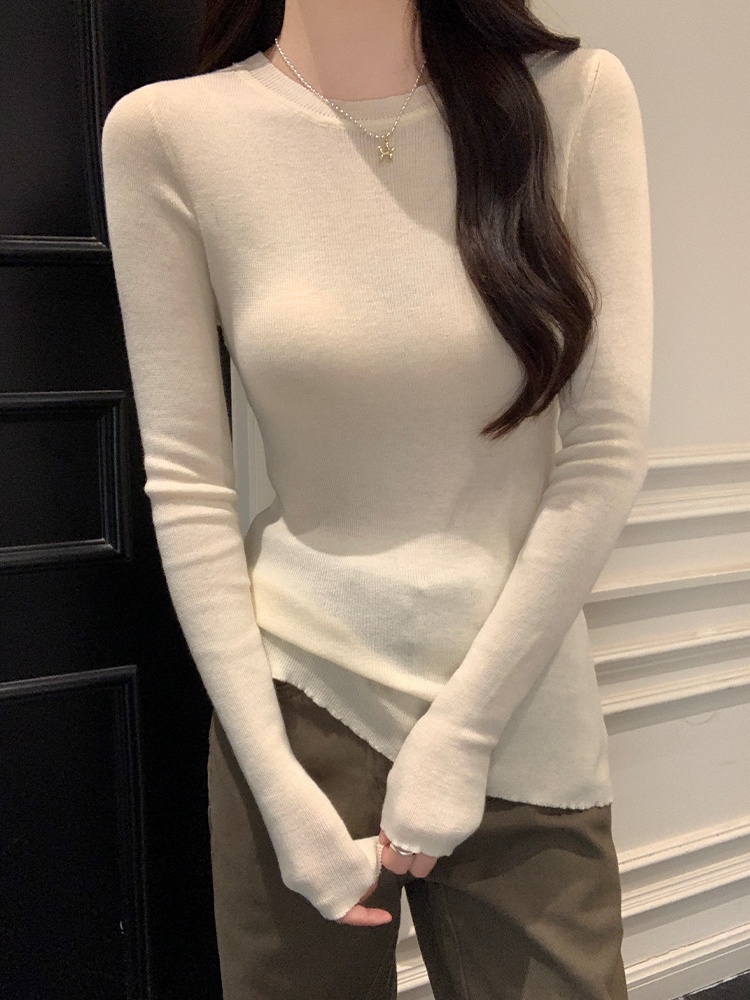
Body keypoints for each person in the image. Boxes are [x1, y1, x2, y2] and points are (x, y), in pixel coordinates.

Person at [100, 0, 653, 996]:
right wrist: (275, 784)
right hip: (295, 708)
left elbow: (606, 443)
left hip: (521, 706)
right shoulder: (168, 134)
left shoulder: (571, 100)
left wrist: (465, 731)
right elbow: (186, 478)